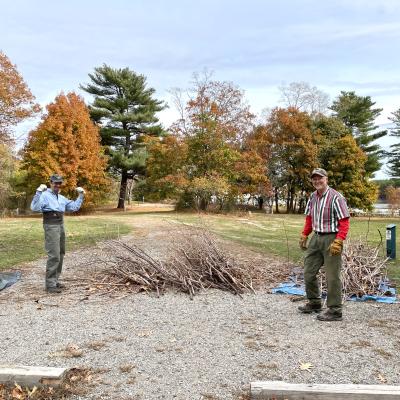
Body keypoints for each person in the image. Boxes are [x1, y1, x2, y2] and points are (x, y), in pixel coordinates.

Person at [298, 168, 350, 321]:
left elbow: (344, 222)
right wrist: (305, 234)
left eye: (320, 178)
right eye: (314, 179)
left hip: (331, 238)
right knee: (308, 271)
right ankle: (314, 303)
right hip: (316, 237)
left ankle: (335, 311)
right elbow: (309, 218)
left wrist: (339, 240)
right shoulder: (313, 197)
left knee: (332, 276)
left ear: (326, 179)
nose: (317, 181)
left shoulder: (336, 197)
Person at [31, 174, 85, 293]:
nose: (57, 185)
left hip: (60, 225)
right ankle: (50, 284)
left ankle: (55, 280)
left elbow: (74, 207)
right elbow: (34, 207)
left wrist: (81, 195)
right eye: (55, 183)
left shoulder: (61, 198)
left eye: (59, 183)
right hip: (51, 226)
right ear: (51, 182)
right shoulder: (44, 195)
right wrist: (38, 192)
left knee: (61, 253)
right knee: (54, 254)